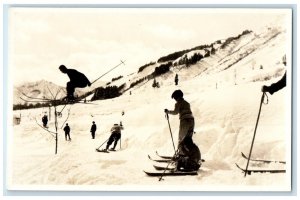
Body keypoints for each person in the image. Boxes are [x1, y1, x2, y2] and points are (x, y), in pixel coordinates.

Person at [164, 89, 195, 155]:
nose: (175, 99)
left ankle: (180, 155)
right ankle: (191, 154)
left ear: (177, 97)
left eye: (175, 98)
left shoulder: (178, 103)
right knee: (188, 139)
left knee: (181, 138)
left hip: (185, 121)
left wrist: (168, 111)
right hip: (192, 121)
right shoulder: (187, 103)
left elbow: (175, 112)